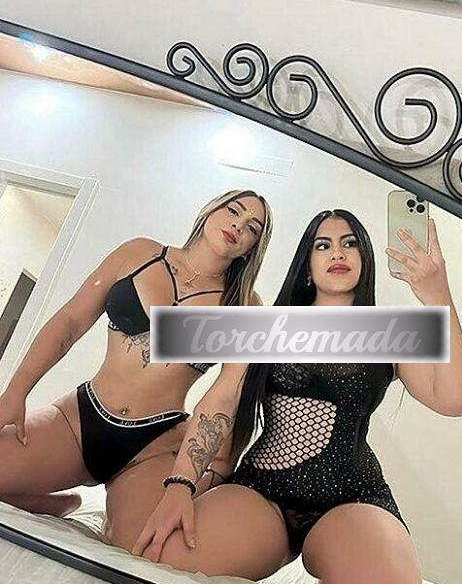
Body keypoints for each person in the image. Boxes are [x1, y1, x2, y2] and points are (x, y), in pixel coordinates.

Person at [129, 209, 462, 584]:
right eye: (323, 245)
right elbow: (221, 399)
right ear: (307, 264)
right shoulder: (268, 325)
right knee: (164, 564)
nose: (337, 253)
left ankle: (332, 577)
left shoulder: (388, 331)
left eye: (350, 243)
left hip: (352, 496)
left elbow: (456, 400)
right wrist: (181, 484)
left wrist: (438, 294)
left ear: (365, 259)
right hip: (263, 492)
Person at [0, 190, 272, 527]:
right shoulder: (138, 253)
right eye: (233, 210)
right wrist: (16, 392)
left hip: (154, 444)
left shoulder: (244, 305)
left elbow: (226, 395)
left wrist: (190, 477)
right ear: (210, 211)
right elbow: (70, 323)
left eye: (252, 227)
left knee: (139, 544)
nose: (238, 225)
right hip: (79, 419)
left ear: (251, 248)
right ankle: (54, 502)